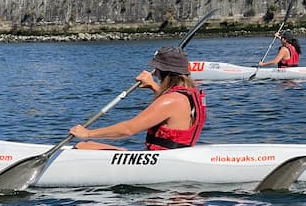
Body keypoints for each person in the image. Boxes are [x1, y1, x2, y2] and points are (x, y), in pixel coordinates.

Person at [69, 46, 206, 150]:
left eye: (156, 69)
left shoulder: (170, 100)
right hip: (174, 154)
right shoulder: (190, 94)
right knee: (96, 147)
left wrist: (88, 133)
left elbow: (128, 129)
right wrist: (153, 85)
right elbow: (172, 107)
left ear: (163, 72)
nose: (155, 73)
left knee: (83, 146)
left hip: (160, 160)